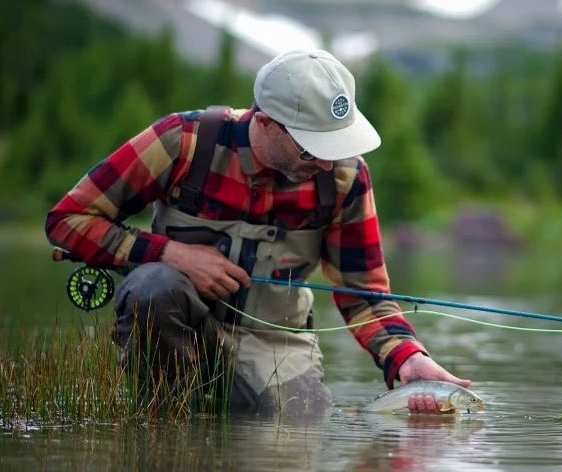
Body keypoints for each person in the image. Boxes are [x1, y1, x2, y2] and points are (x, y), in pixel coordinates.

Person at [45, 48, 470, 416]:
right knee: (154, 287)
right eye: (312, 147)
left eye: (335, 144)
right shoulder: (183, 142)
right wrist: (169, 254)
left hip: (277, 345)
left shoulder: (345, 177)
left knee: (297, 435)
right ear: (265, 123)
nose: (326, 162)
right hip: (181, 329)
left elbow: (365, 295)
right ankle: (165, 415)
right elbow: (68, 221)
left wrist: (407, 357)